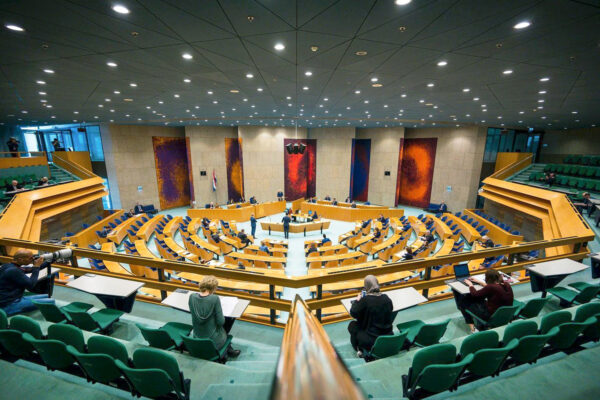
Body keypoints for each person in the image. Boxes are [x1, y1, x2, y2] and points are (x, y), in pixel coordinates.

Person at [188, 276, 240, 358]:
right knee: (230, 319)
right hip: (213, 341)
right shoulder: (215, 298)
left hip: (197, 336)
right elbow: (221, 322)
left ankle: (228, 347)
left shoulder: (191, 297)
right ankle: (228, 348)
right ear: (213, 288)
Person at [347, 275, 393, 357]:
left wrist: (357, 300)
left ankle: (359, 349)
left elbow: (353, 313)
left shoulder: (365, 300)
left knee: (352, 325)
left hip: (372, 338)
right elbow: (391, 309)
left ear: (366, 286)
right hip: (388, 334)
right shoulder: (386, 298)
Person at [0, 249, 55, 316]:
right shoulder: (14, 271)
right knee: (51, 301)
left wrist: (50, 261)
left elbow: (30, 269)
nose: (32, 259)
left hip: (14, 297)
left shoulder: (8, 265)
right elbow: (31, 284)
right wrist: (36, 266)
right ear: (21, 259)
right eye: (30, 258)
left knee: (47, 296)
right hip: (9, 304)